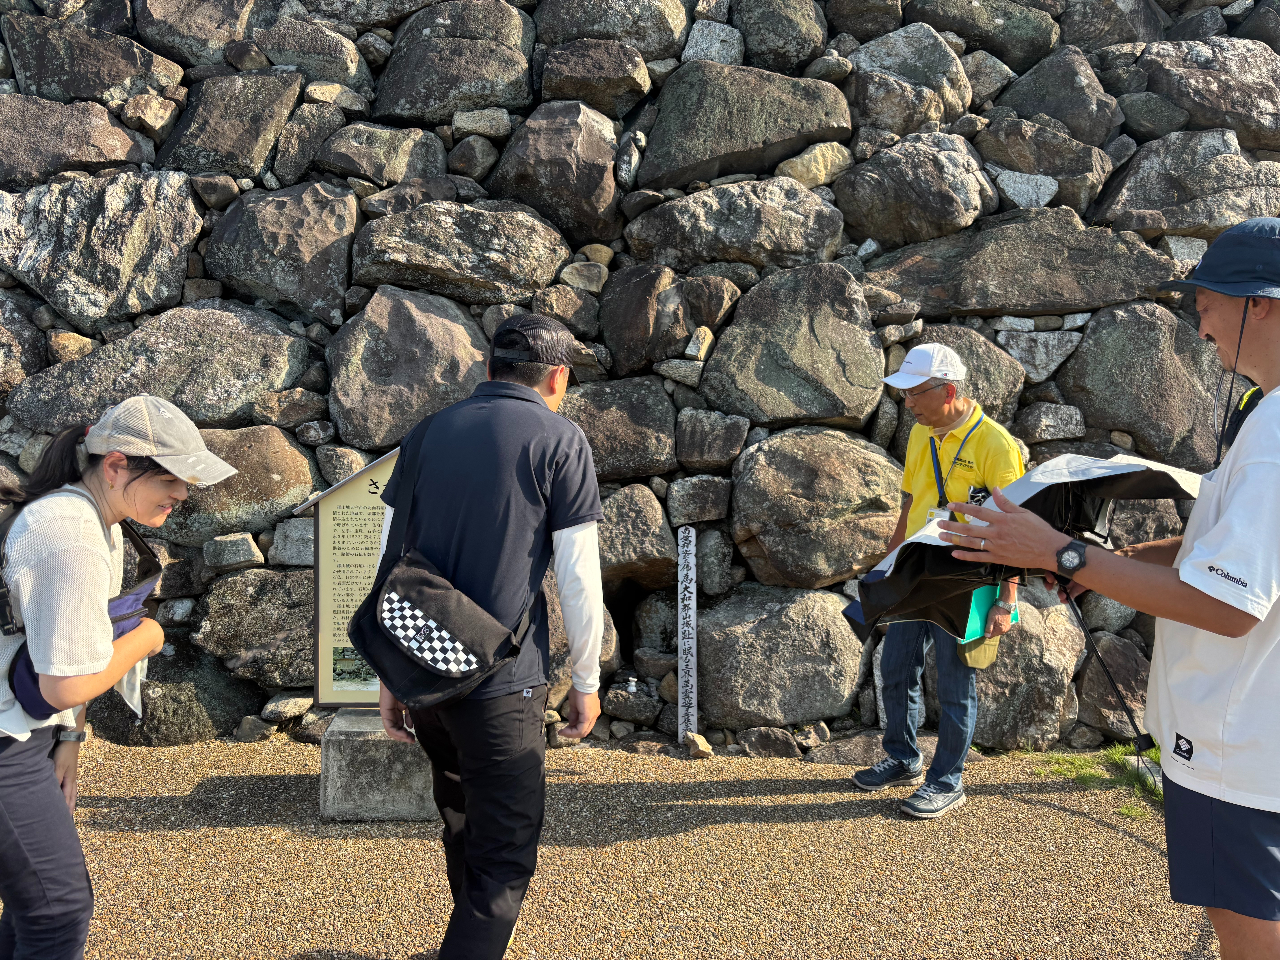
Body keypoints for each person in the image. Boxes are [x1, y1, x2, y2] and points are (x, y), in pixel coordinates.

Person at [936, 217, 1280, 960]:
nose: (1199, 319)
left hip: (1238, 748)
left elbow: (1230, 604)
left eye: (1209, 299)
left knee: (1246, 928)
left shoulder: (1275, 437)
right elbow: (1211, 555)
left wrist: (1061, 555)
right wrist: (1104, 560)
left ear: (1265, 302)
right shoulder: (1267, 424)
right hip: (1253, 741)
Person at [376, 313, 606, 960]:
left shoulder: (428, 433)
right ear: (558, 377)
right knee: (505, 855)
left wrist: (392, 675)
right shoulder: (559, 441)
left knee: (463, 826)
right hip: (503, 685)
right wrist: (586, 682)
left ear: (487, 368)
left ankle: (469, 945)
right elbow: (579, 579)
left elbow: (391, 560)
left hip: (426, 671)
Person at [0, 395, 236, 960]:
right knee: (58, 909)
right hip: (6, 740)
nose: (183, 494)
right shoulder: (70, 533)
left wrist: (70, 742)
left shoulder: (97, 520)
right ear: (116, 464)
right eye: (174, 479)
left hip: (24, 728)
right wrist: (145, 640)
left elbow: (70, 646)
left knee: (35, 905)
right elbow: (65, 682)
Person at [852, 343, 1025, 818]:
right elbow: (910, 505)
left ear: (947, 390)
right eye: (903, 393)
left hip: (968, 578)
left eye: (913, 394)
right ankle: (902, 758)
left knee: (954, 682)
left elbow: (1015, 529)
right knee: (896, 666)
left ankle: (947, 780)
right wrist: (887, 567)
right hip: (914, 570)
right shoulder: (919, 434)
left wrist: (1006, 600)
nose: (906, 403)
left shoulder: (997, 446)